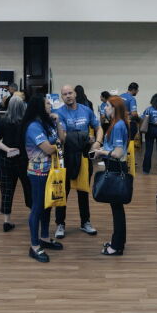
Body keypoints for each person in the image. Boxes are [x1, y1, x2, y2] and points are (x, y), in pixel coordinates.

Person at [22, 94, 64, 263]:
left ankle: (45, 238)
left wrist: (58, 122)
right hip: (37, 172)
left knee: (48, 205)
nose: (50, 105)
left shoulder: (47, 123)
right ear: (39, 106)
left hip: (51, 171)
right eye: (47, 103)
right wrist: (58, 146)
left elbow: (63, 138)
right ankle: (34, 245)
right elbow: (48, 148)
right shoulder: (33, 126)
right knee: (38, 207)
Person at [54, 85, 101, 238]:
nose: (68, 96)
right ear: (62, 97)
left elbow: (98, 127)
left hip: (83, 155)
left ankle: (85, 222)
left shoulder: (86, 110)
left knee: (83, 190)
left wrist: (97, 143)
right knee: (63, 191)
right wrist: (85, 137)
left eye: (70, 93)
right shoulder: (58, 113)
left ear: (75, 94)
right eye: (64, 94)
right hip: (66, 156)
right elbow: (63, 137)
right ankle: (60, 224)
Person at [92, 95, 131, 255]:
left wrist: (101, 152)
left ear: (115, 108)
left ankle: (116, 246)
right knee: (116, 208)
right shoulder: (116, 124)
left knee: (117, 209)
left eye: (107, 106)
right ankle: (117, 241)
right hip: (113, 165)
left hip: (116, 167)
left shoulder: (118, 125)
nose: (105, 109)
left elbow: (118, 152)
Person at [0, 96, 31, 233]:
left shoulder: (3, 121)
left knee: (7, 190)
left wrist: (7, 149)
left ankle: (6, 221)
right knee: (28, 187)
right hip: (24, 160)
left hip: (6, 159)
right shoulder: (27, 123)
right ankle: (33, 216)